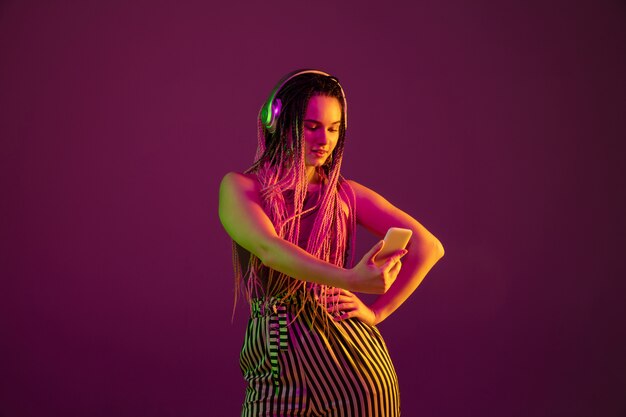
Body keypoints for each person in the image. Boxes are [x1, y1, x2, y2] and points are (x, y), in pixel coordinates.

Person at [219, 69, 444, 416]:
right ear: (278, 120)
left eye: (334, 128)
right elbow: (268, 248)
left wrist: (376, 312)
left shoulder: (346, 195)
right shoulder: (241, 188)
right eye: (312, 126)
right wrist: (351, 279)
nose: (324, 139)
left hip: (351, 365)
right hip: (273, 365)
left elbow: (428, 247)